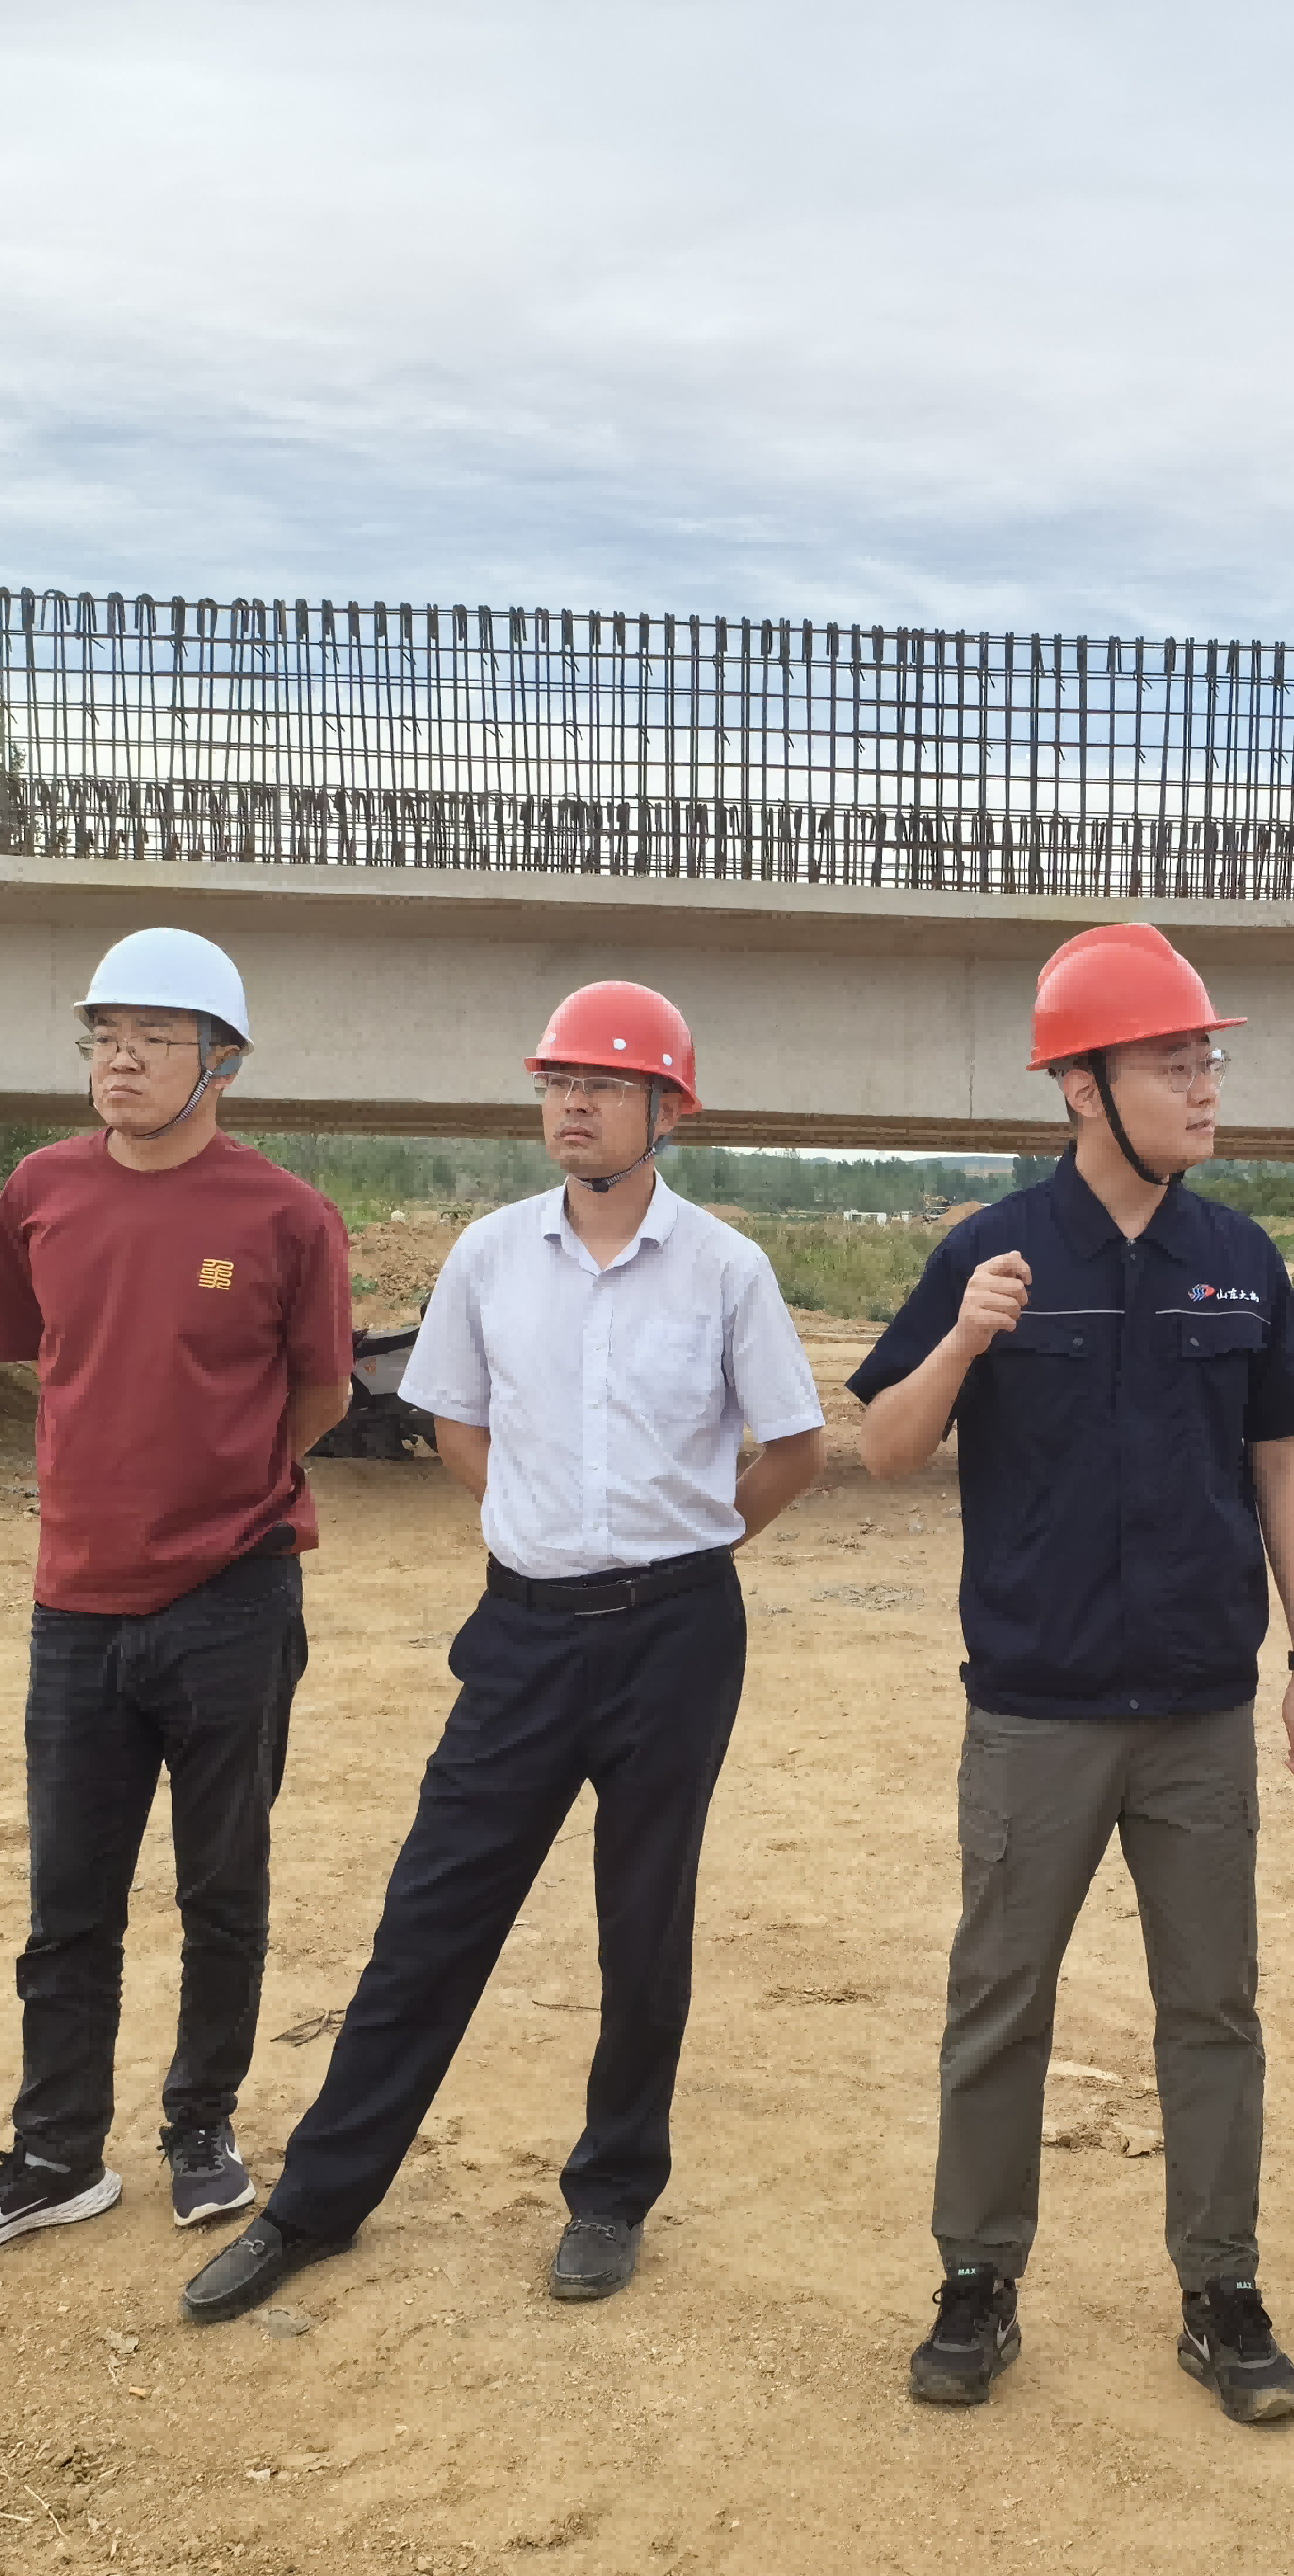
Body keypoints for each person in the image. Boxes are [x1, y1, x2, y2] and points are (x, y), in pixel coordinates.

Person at [181, 982, 826, 2323]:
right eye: (558, 1082)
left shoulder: (725, 1270)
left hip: (677, 1639)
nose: (573, 1104)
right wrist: (537, 1526)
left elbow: (795, 1446)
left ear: (666, 1111)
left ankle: (610, 2195)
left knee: (643, 1923)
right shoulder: (488, 1257)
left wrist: (688, 1545)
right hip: (524, 1632)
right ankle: (316, 2203)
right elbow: (454, 1423)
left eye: (605, 1084)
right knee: (432, 1913)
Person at [849, 923, 1294, 2423]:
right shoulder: (990, 1254)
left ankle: (1222, 2292)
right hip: (1036, 1717)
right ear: (1083, 1087)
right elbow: (883, 1449)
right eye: (1172, 1062)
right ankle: (975, 2281)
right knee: (999, 2005)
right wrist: (961, 1346)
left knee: (1215, 2014)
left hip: (1198, 1714)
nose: (1205, 1087)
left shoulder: (1238, 1262)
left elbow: (1284, 1465)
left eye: (1208, 1061)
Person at [0, 928, 353, 2259]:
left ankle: (200, 2124)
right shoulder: (39, 1191)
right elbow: (47, 1358)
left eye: (156, 1040)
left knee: (223, 1885)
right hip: (77, 1606)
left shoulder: (286, 1216)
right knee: (70, 1900)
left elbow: (321, 1390)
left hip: (233, 1597)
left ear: (223, 1063)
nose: (122, 1061)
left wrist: (223, 1493)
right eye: (104, 1037)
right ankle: (55, 2153)